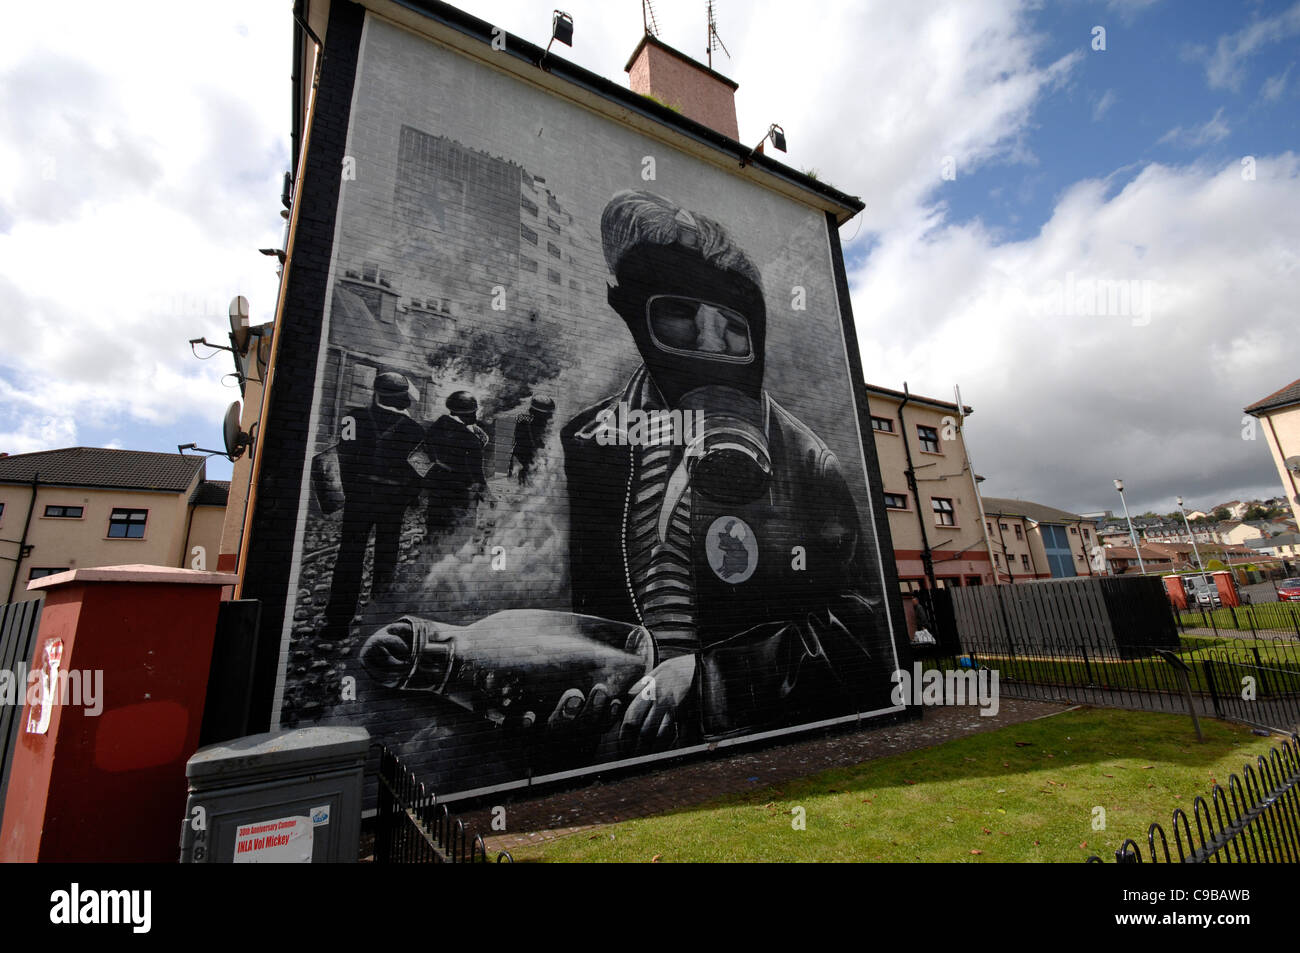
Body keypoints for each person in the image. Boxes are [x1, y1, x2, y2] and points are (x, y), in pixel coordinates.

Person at [360, 189, 896, 761]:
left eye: (734, 327)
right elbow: (597, 619)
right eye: (680, 317)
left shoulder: (808, 464)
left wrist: (712, 680)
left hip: (743, 741)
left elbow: (866, 630)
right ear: (636, 319)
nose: (710, 346)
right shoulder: (592, 442)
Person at [320, 371, 425, 641]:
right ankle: (380, 621)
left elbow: (344, 457)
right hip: (393, 502)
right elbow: (420, 471)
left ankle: (337, 624)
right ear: (403, 398)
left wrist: (352, 491)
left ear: (376, 394)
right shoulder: (415, 430)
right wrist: (408, 498)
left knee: (349, 557)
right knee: (386, 558)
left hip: (360, 498)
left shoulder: (352, 419)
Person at [423, 390, 489, 544]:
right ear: (466, 413)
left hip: (437, 492)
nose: (475, 416)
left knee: (435, 532)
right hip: (460, 494)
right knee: (458, 535)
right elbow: (476, 471)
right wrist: (484, 491)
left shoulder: (435, 428)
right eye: (473, 412)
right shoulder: (470, 438)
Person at [507, 395, 556, 484]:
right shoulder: (533, 423)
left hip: (525, 457)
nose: (551, 417)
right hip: (524, 458)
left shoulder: (526, 419)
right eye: (548, 415)